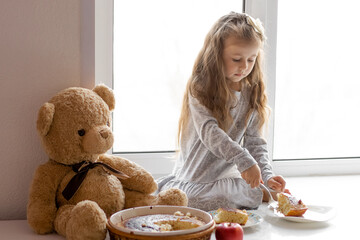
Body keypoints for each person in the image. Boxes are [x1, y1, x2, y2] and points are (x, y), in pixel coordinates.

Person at [156, 12, 286, 211]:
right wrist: (244, 160)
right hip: (196, 179)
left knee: (246, 193)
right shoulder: (200, 87)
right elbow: (210, 133)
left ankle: (260, 193)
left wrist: (267, 176)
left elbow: (255, 141)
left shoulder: (252, 90)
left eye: (251, 59)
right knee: (193, 200)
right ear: (217, 55)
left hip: (225, 180)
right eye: (236, 59)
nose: (244, 67)